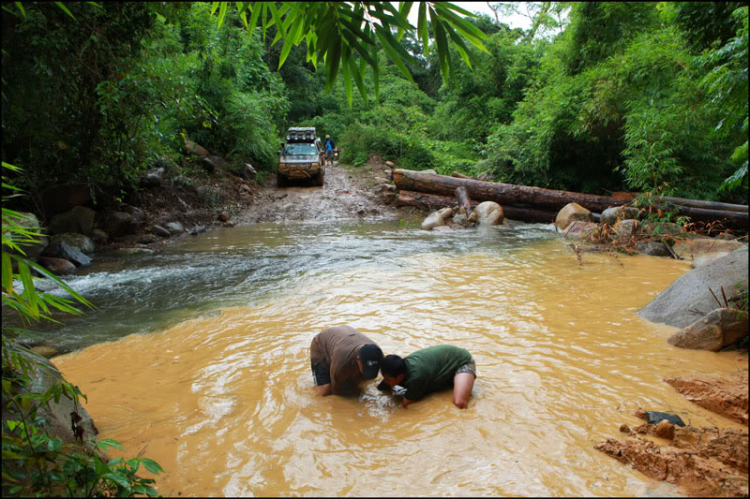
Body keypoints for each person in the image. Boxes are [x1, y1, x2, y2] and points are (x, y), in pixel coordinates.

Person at [378, 345, 476, 409]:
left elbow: (405, 404)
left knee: (459, 403)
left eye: (387, 379)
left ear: (399, 377)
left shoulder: (415, 377)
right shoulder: (396, 370)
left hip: (462, 362)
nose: (385, 381)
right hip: (443, 365)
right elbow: (381, 389)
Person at [310, 325, 383, 396]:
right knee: (325, 391)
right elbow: (336, 393)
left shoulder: (379, 355)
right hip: (321, 346)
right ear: (358, 360)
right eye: (366, 369)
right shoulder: (342, 363)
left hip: (344, 338)